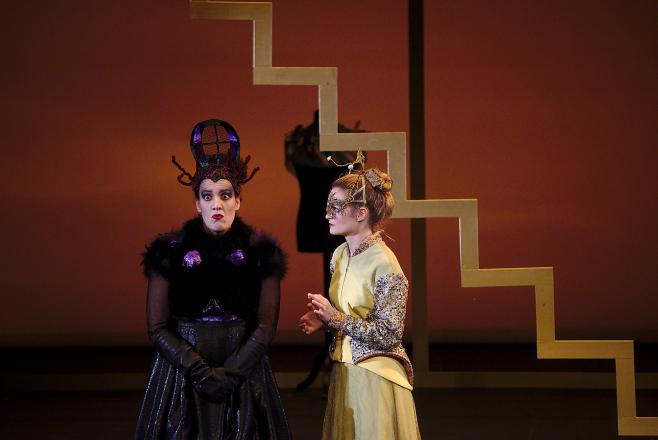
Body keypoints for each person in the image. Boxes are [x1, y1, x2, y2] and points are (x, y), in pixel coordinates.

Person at [136, 119, 291, 439]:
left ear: (238, 200)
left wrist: (229, 376)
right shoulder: (169, 251)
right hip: (181, 378)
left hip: (243, 377)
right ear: (197, 204)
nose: (216, 204)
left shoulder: (261, 253)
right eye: (207, 196)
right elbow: (157, 326)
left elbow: (266, 327)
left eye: (225, 195)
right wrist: (199, 372)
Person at [299, 158, 421, 439]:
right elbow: (350, 314)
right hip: (346, 371)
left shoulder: (385, 264)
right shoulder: (340, 255)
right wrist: (324, 319)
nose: (328, 214)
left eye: (336, 206)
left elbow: (389, 334)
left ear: (361, 212)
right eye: (329, 205)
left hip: (375, 376)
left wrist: (336, 318)